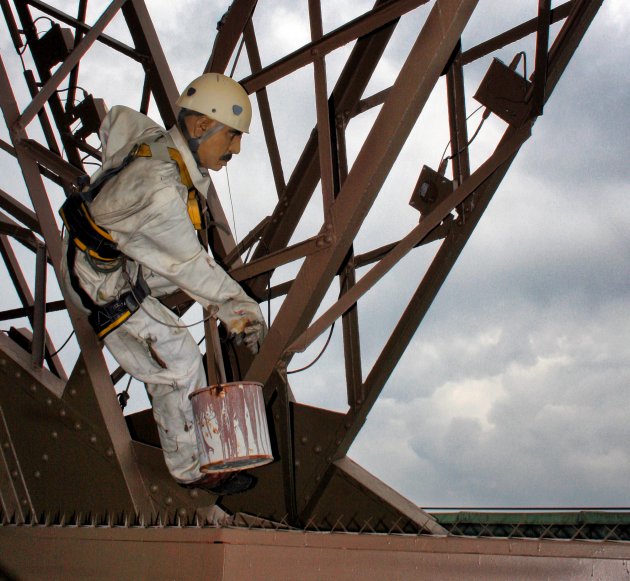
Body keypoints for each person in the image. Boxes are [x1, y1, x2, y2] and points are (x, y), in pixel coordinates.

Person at [60, 73, 266, 494]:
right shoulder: (159, 193)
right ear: (200, 126)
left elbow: (115, 119)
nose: (236, 149)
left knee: (170, 274)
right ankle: (191, 468)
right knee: (178, 361)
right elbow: (190, 266)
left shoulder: (154, 138)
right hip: (96, 279)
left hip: (116, 249)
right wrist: (241, 312)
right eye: (231, 137)